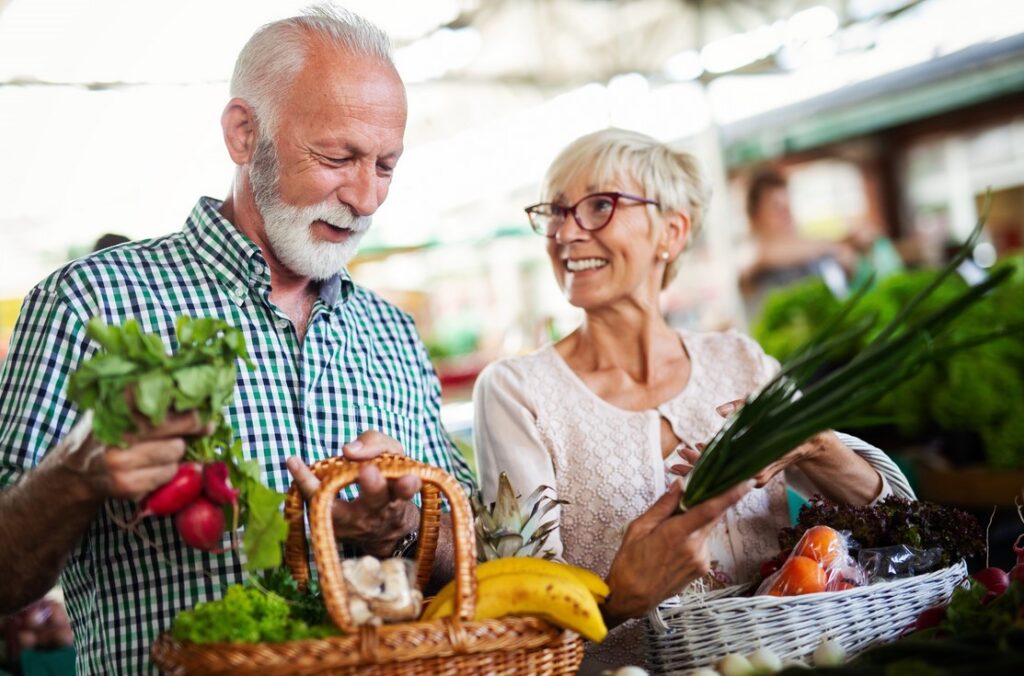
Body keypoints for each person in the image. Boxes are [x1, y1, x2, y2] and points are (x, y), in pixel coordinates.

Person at [0, 6, 474, 673]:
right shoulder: (88, 305)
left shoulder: (390, 333)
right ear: (245, 134)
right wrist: (74, 477)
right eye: (338, 158)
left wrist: (404, 528)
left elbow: (474, 552)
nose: (366, 198)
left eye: (387, 166)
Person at [472, 129, 913, 673]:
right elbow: (521, 621)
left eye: (599, 206)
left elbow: (903, 525)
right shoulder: (517, 391)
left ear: (671, 232)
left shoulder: (742, 363)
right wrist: (618, 601)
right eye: (555, 211)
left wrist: (817, 447)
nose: (564, 232)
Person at [739, 169, 857, 322]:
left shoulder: (807, 252)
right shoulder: (750, 254)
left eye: (788, 205)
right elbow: (766, 256)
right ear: (754, 216)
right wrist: (835, 248)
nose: (787, 214)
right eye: (777, 207)